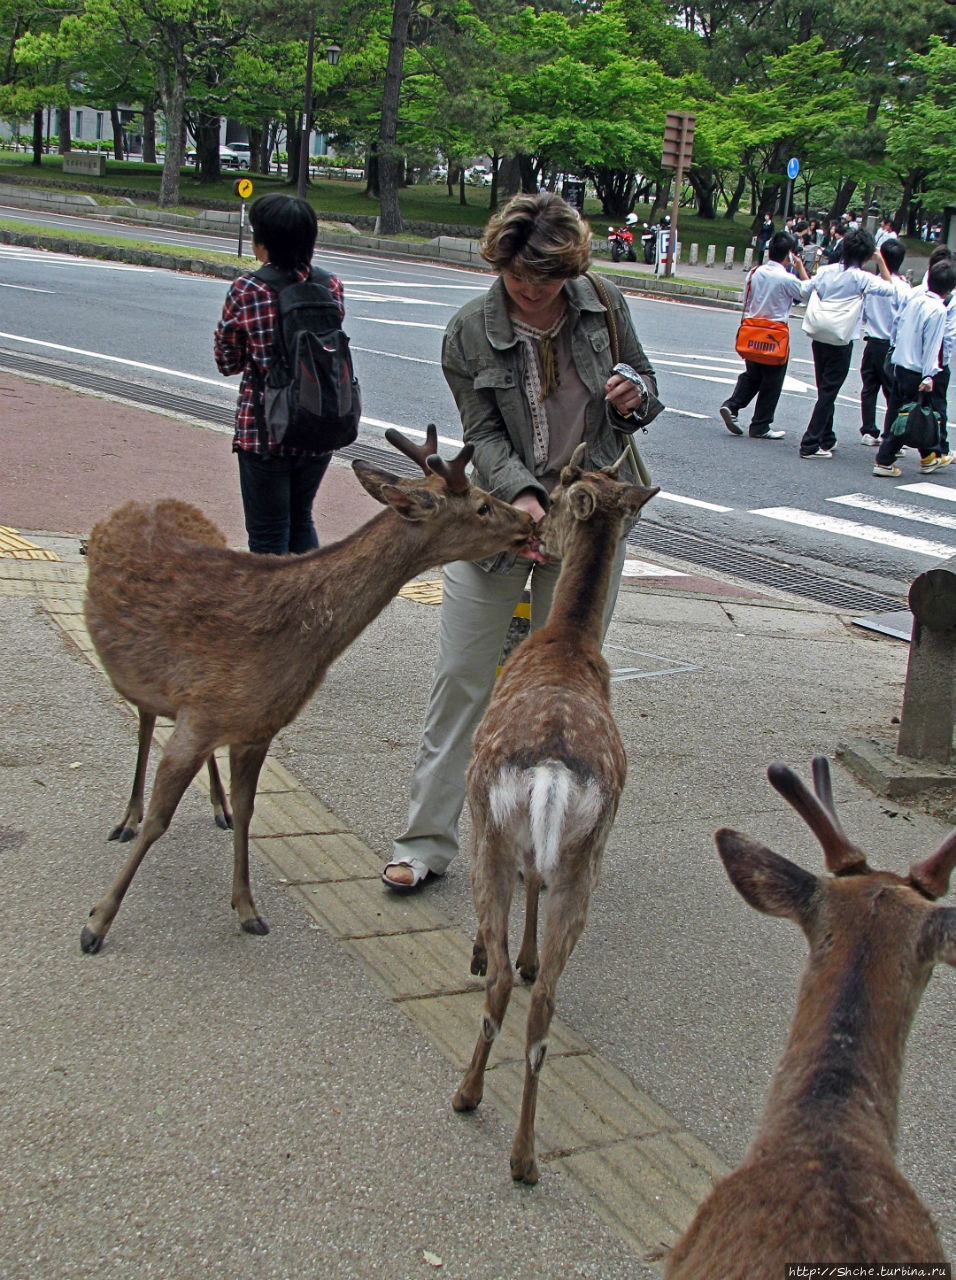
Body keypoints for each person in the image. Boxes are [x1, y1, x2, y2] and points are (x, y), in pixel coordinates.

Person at [381, 191, 661, 892]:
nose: (533, 293)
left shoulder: (603, 304)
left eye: (548, 281)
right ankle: (424, 841)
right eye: (518, 279)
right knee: (463, 678)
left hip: (590, 519)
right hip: (501, 521)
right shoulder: (468, 331)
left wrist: (634, 398)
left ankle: (557, 841)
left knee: (569, 682)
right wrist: (524, 497)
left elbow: (646, 392)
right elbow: (481, 432)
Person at [214, 193, 344, 554]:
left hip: (264, 428)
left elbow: (227, 361)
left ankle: (272, 611)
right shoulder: (330, 284)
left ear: (262, 243)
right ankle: (311, 608)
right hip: (319, 421)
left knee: (269, 534)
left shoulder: (248, 289)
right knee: (301, 518)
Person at [798, 228, 895, 460]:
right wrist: (881, 261)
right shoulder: (861, 278)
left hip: (820, 333)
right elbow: (890, 288)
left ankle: (826, 437)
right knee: (829, 391)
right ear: (866, 254)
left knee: (824, 387)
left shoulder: (825, 271)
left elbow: (804, 290)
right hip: (841, 337)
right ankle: (810, 442)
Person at [719, 232, 812, 441]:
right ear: (789, 254)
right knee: (773, 380)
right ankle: (760, 424)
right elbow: (808, 293)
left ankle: (732, 405)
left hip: (753, 330)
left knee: (753, 374)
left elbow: (747, 299)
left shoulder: (754, 273)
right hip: (774, 334)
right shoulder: (787, 278)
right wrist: (800, 268)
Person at [873, 259, 956, 477]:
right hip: (917, 369)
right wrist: (929, 375)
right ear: (949, 289)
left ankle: (929, 456)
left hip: (900, 363)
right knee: (911, 417)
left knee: (908, 412)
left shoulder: (915, 299)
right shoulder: (938, 309)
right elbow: (932, 345)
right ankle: (884, 459)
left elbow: (899, 326)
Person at [859, 237, 910, 444]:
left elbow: (863, 314)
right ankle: (891, 433)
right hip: (891, 344)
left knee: (869, 387)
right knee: (893, 391)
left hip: (872, 341)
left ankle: (869, 430)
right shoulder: (904, 288)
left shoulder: (872, 284)